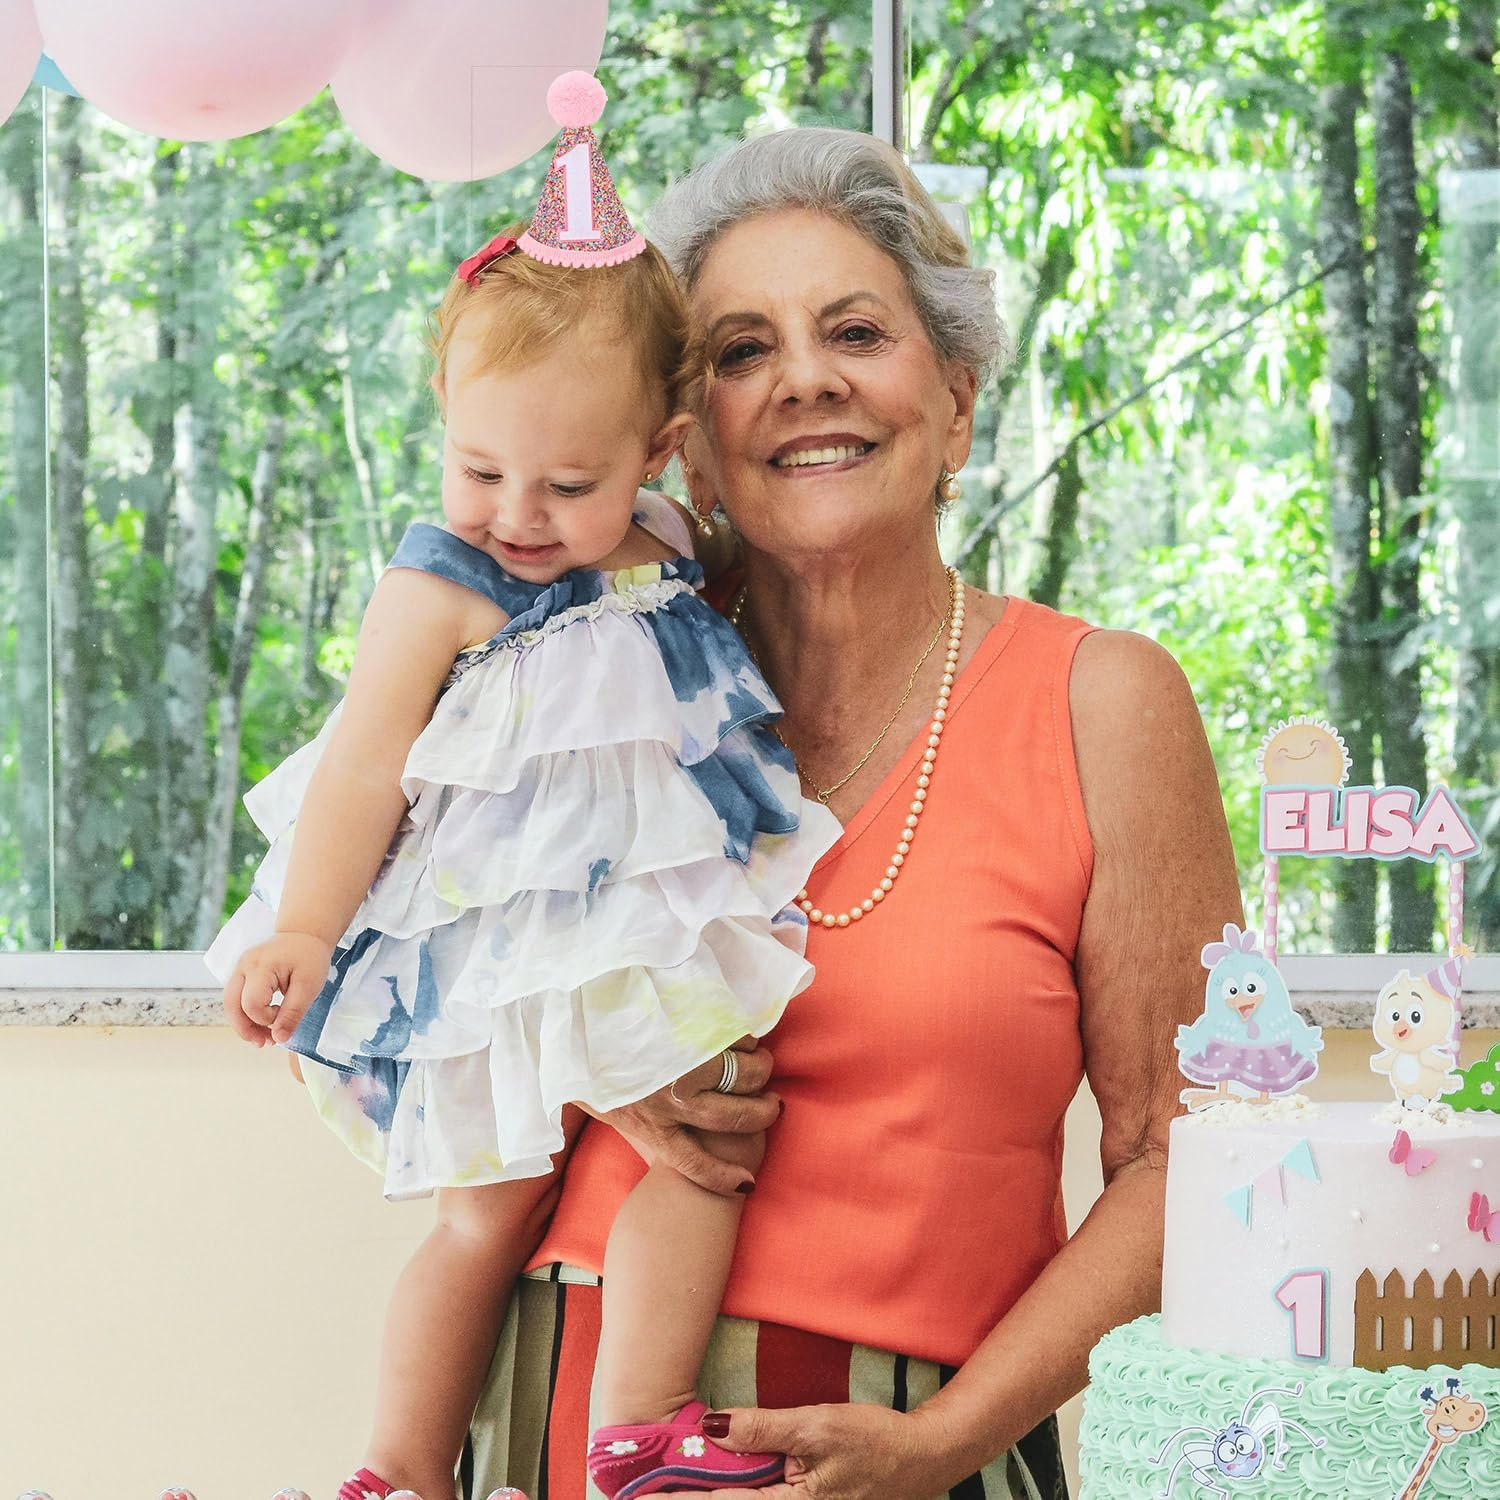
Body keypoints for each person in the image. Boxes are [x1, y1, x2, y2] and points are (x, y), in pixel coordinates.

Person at [465, 126, 1245, 1500]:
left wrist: (947, 1444)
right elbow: (362, 1007)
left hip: (908, 1449)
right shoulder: (578, 666)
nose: (805, 379)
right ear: (682, 440)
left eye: (856, 331)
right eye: (741, 349)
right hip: (554, 1433)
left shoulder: (1103, 703)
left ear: (954, 399)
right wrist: (572, 1039)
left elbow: (1192, 1153)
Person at [206, 76, 838, 1500]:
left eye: (567, 482)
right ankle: (399, 1466)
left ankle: (638, 1427)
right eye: (481, 465)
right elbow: (366, 763)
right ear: (442, 420)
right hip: (498, 954)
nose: (519, 513)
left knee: (708, 1134)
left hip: (627, 926)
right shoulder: (440, 583)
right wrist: (301, 929)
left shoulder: (667, 541)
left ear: (657, 456)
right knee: (479, 1222)